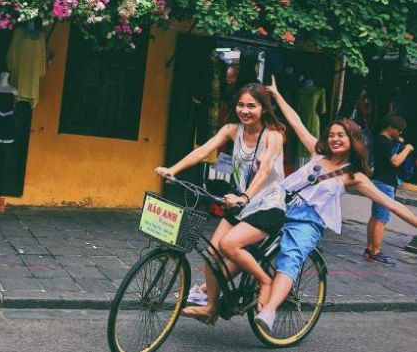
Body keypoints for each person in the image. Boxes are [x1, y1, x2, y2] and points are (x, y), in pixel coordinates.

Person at [255, 76, 417, 334]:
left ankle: (270, 310)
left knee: (290, 256)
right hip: (281, 208)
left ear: (353, 139)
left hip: (309, 221)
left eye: (341, 135)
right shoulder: (317, 153)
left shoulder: (354, 176)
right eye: (331, 135)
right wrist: (276, 94)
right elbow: (296, 122)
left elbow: (391, 204)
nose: (334, 139)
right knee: (242, 241)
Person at [155, 83, 286, 324]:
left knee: (228, 244)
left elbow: (265, 169)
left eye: (251, 106)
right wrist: (173, 170)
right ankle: (210, 308)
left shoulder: (273, 136)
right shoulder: (231, 130)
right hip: (241, 204)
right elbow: (202, 150)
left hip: (268, 205)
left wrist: (244, 197)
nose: (245, 111)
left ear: (264, 109)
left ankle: (265, 281)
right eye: (241, 105)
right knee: (212, 254)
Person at [365, 113, 413, 265]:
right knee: (381, 219)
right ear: (390, 127)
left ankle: (369, 249)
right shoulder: (384, 141)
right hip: (385, 184)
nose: (400, 133)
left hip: (378, 181)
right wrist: (407, 149)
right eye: (398, 129)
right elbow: (395, 161)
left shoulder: (380, 140)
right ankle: (375, 251)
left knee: (375, 216)